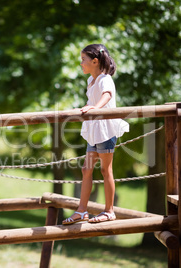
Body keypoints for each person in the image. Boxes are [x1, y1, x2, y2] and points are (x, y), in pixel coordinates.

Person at [62, 44, 129, 225]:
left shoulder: (104, 79)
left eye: (83, 60)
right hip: (94, 131)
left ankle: (109, 211)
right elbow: (94, 99)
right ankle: (82, 210)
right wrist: (88, 108)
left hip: (105, 130)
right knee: (86, 169)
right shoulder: (91, 81)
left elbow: (107, 95)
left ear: (95, 61)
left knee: (106, 170)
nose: (81, 63)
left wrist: (95, 108)